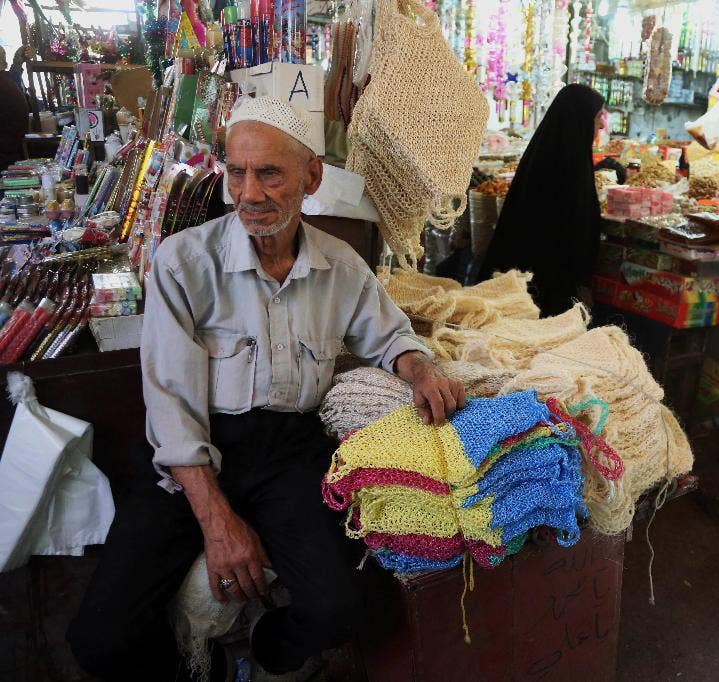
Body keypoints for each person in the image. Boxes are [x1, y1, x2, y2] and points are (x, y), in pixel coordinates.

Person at [67, 96, 467, 680]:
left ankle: (269, 652)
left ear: (312, 177)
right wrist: (218, 522)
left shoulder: (341, 265)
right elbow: (172, 407)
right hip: (194, 456)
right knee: (100, 640)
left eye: (269, 173)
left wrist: (419, 368)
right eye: (236, 171)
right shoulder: (183, 262)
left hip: (288, 451)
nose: (249, 193)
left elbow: (389, 334)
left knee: (342, 607)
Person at [480, 84, 607, 316]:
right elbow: (572, 228)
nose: (602, 124)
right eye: (598, 116)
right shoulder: (570, 166)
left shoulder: (549, 154)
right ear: (581, 117)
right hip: (543, 286)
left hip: (528, 284)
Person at [0, 47, 29, 172]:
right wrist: (18, 61)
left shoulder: (5, 84)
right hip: (13, 153)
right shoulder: (7, 81)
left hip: (6, 158)